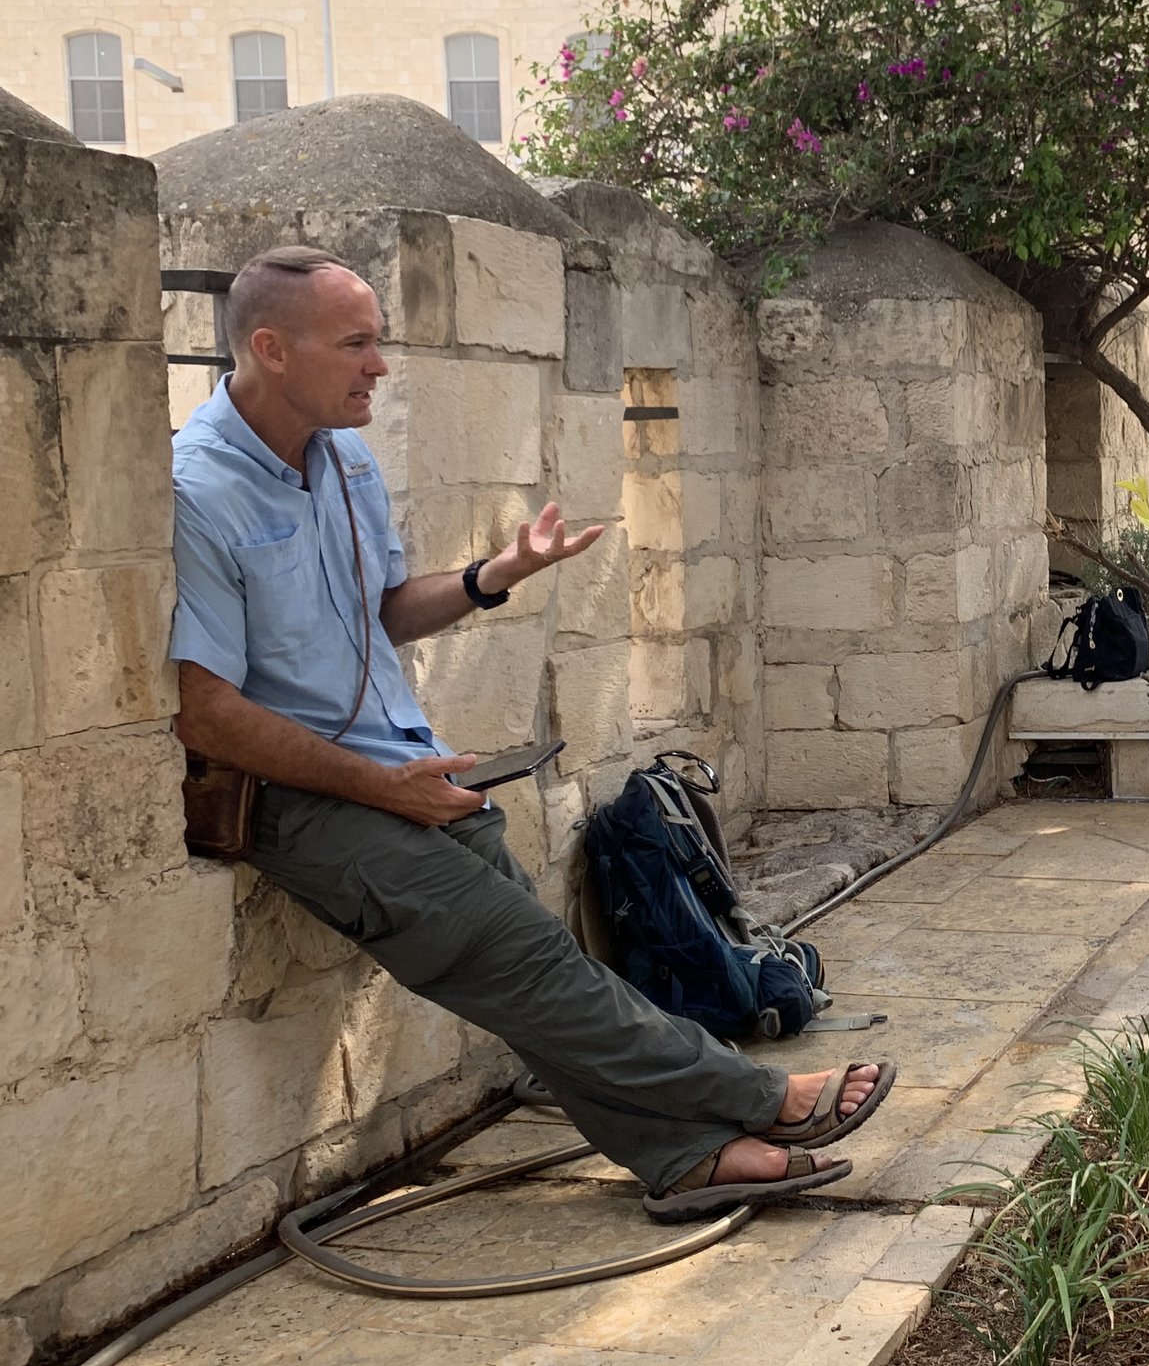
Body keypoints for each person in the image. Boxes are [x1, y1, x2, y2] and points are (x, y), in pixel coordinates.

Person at [171, 245, 890, 1223]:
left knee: (537, 983)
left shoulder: (344, 460)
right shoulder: (197, 487)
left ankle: (681, 1157)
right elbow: (206, 710)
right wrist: (386, 793)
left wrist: (491, 575)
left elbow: (379, 609)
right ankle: (763, 1098)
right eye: (357, 344)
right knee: (541, 970)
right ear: (272, 349)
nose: (379, 365)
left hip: (405, 771)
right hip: (307, 806)